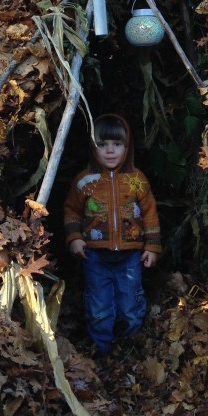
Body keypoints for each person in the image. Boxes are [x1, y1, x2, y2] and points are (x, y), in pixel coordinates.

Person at [64, 114, 161, 358]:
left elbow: (150, 214)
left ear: (127, 148)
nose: (110, 151)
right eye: (103, 144)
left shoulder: (136, 180)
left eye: (117, 144)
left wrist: (152, 246)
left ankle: (131, 344)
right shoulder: (85, 181)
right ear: (93, 148)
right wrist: (75, 237)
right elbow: (71, 210)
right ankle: (102, 349)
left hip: (130, 257)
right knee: (99, 306)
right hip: (95, 256)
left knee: (130, 304)